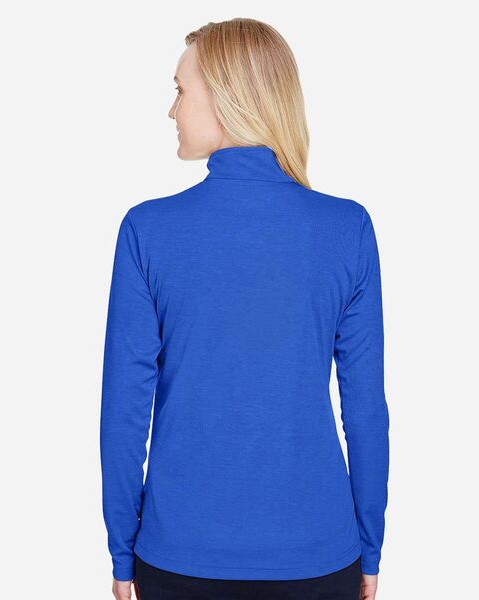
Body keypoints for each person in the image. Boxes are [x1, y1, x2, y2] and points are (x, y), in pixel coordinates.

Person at [100, 17, 390, 600]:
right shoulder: (347, 229)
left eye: (180, 90)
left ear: (226, 95)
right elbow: (365, 412)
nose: (171, 110)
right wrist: (370, 546)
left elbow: (124, 414)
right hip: (319, 558)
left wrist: (122, 552)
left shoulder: (148, 231)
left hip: (178, 559)